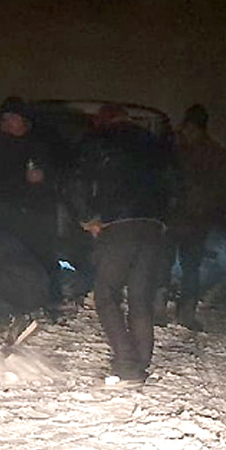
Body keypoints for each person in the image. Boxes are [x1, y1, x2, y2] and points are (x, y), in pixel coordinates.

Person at [73, 103, 173, 383]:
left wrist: (86, 218)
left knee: (106, 294)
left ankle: (128, 364)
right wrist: (163, 219)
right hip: (153, 226)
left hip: (117, 224)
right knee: (141, 298)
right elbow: (174, 183)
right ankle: (140, 362)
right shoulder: (153, 143)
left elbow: (77, 181)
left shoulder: (99, 141)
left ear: (102, 122)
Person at [0, 96, 63, 305]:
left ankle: (48, 299)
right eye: (4, 118)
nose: (7, 123)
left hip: (37, 210)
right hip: (4, 210)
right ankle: (5, 302)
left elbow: (57, 169)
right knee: (7, 257)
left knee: (41, 257)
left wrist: (43, 177)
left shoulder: (40, 140)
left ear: (22, 119)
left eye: (12, 118)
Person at [169, 104, 226, 330]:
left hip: (177, 216)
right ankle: (186, 312)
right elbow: (224, 189)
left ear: (190, 126)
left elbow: (169, 180)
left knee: (165, 261)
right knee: (191, 267)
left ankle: (158, 307)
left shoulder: (179, 151)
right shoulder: (217, 153)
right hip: (198, 220)